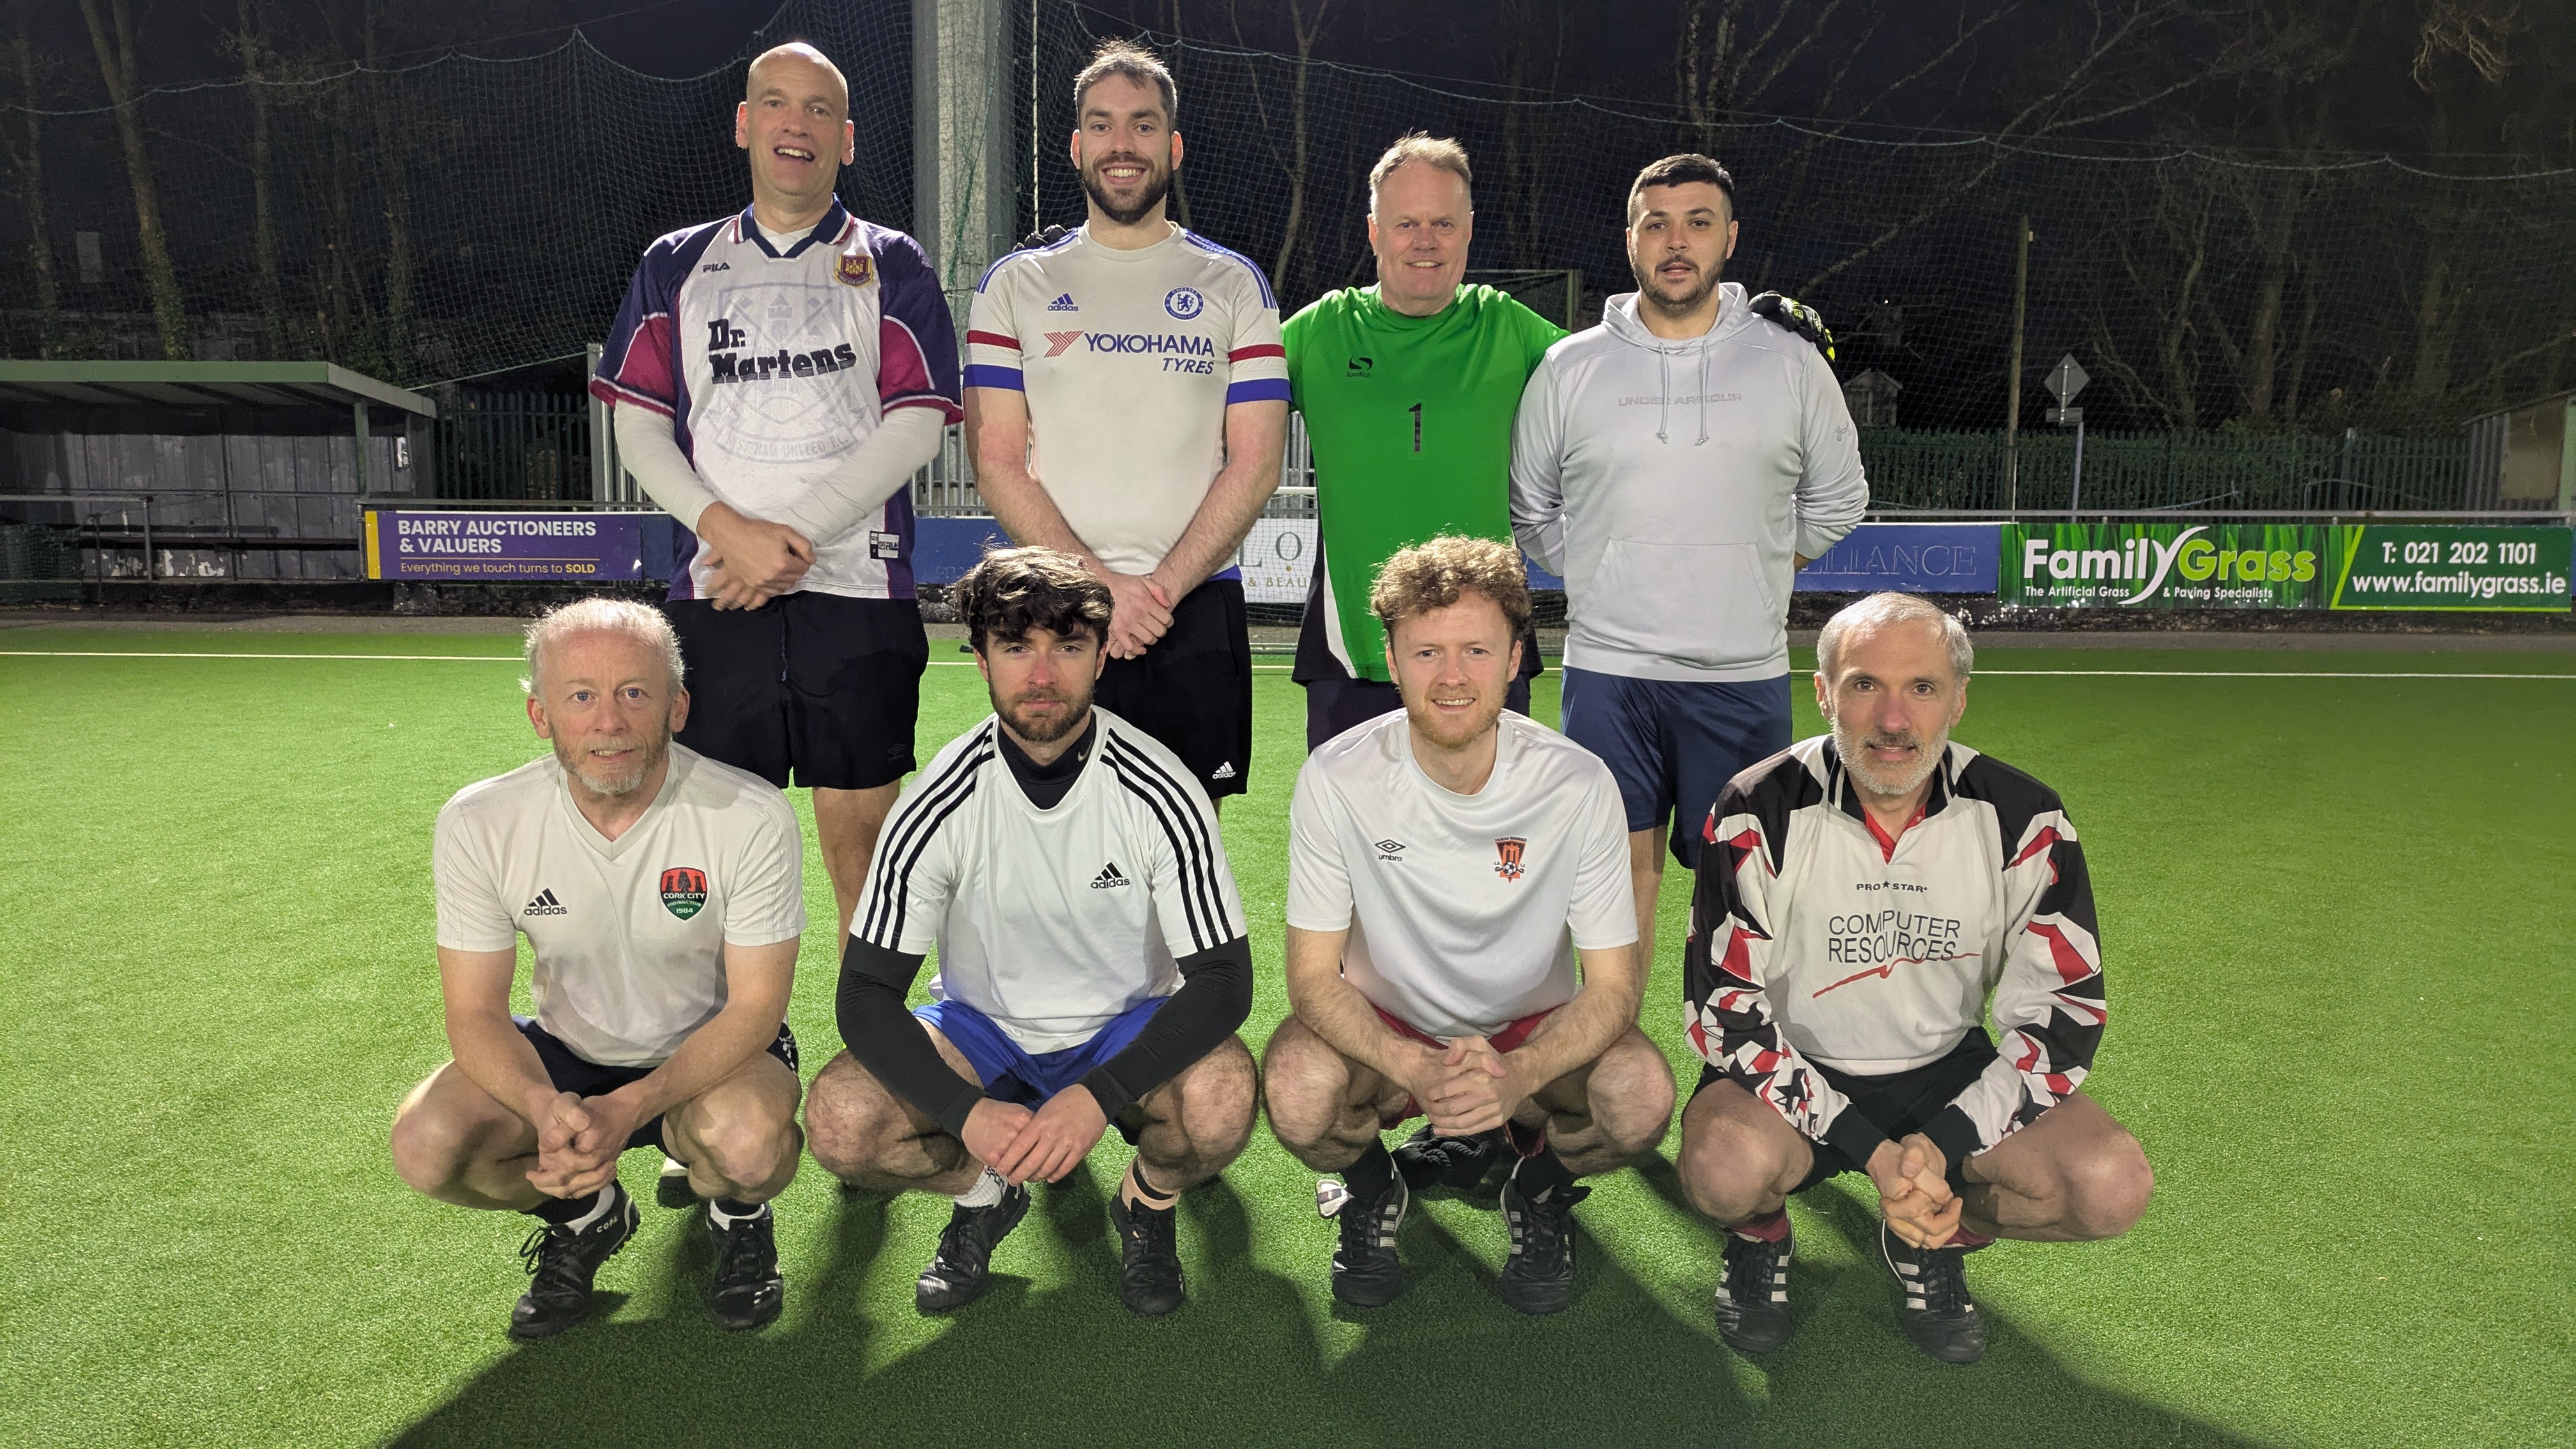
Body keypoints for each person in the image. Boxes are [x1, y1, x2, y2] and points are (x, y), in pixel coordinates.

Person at [1676, 593, 2152, 1364]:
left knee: (2109, 1185)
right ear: (1825, 692)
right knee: (1724, 1171)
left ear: (1958, 700)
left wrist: (1941, 1143)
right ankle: (1761, 1235)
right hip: (1792, 1068)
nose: (1894, 721)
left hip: (1946, 1071)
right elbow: (1726, 1011)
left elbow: (2062, 1017)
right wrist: (1873, 1151)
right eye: (1866, 685)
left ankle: (1936, 1235)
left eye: (1922, 689)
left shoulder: (2023, 816)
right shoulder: (1755, 808)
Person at [804, 547, 1258, 1318]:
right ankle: (986, 1194)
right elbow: (867, 994)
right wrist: (966, 1115)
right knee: (842, 1122)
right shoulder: (936, 802)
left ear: (1102, 654)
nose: (1042, 675)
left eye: (1068, 646)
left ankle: (1145, 1204)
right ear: (980, 659)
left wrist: (1098, 1094)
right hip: (985, 1029)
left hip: (1124, 1028)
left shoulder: (1161, 788)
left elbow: (1224, 981)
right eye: (1017, 647)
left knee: (1222, 1102)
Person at [590, 42, 962, 941]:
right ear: (745, 125)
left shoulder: (893, 262)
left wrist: (784, 538)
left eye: (820, 109)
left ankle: (873, 1060)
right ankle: (730, 1054)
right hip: (715, 590)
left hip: (858, 589)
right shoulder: (678, 262)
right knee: (715, 855)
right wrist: (729, 531)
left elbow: (917, 420)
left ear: (848, 140)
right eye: (777, 104)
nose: (798, 123)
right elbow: (637, 422)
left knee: (862, 847)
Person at [1262, 536, 1673, 1315]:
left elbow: (1615, 989)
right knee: (1296, 1088)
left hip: (1529, 1034)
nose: (1452, 676)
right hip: (1389, 1034)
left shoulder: (1578, 784)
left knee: (1641, 1097)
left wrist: (1518, 1075)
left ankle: (1540, 1189)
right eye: (1427, 652)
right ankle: (1371, 1187)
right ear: (1390, 657)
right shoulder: (1337, 778)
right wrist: (1413, 1067)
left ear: (1516, 658)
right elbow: (1313, 979)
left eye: (1476, 650)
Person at [389, 599, 808, 1338]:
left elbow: (756, 1010)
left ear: (678, 708)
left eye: (634, 693)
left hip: (711, 1055)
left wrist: (631, 1108)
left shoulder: (749, 813)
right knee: (428, 1146)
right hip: (567, 1055)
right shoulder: (480, 821)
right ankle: (588, 1215)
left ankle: (738, 1212)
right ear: (541, 715)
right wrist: (544, 1104)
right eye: (581, 695)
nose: (608, 721)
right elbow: (476, 1013)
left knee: (748, 1146)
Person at [1510, 151, 1868, 981]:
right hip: (1611, 673)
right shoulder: (1570, 368)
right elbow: (1532, 510)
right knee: (1613, 883)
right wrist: (1604, 576)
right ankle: (1609, 1081)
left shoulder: (1790, 366)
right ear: (1629, 240)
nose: (1678, 243)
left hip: (1738, 675)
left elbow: (1840, 497)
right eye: (1657, 224)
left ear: (1730, 238)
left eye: (1698, 223)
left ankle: (1731, 1081)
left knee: (1739, 890)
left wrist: (1759, 566)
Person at [963, 39, 1289, 808]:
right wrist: (1101, 588)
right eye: (1103, 126)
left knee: (1188, 847)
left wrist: (1158, 592)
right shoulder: (1014, 286)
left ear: (1172, 147)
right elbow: (1000, 460)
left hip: (1196, 605)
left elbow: (1256, 462)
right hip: (1059, 610)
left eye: (1143, 126)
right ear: (1078, 147)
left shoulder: (1234, 283)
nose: (1122, 145)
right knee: (1056, 838)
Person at [1283, 133, 1563, 751]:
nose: (1425, 240)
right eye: (1405, 222)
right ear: (1374, 231)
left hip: (1488, 652)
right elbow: (1196, 383)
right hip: (1352, 649)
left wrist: (1739, 324)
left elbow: (1624, 369)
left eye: (1442, 222)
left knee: (1494, 843)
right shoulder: (1320, 333)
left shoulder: (1509, 327)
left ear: (1468, 229)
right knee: (1351, 844)